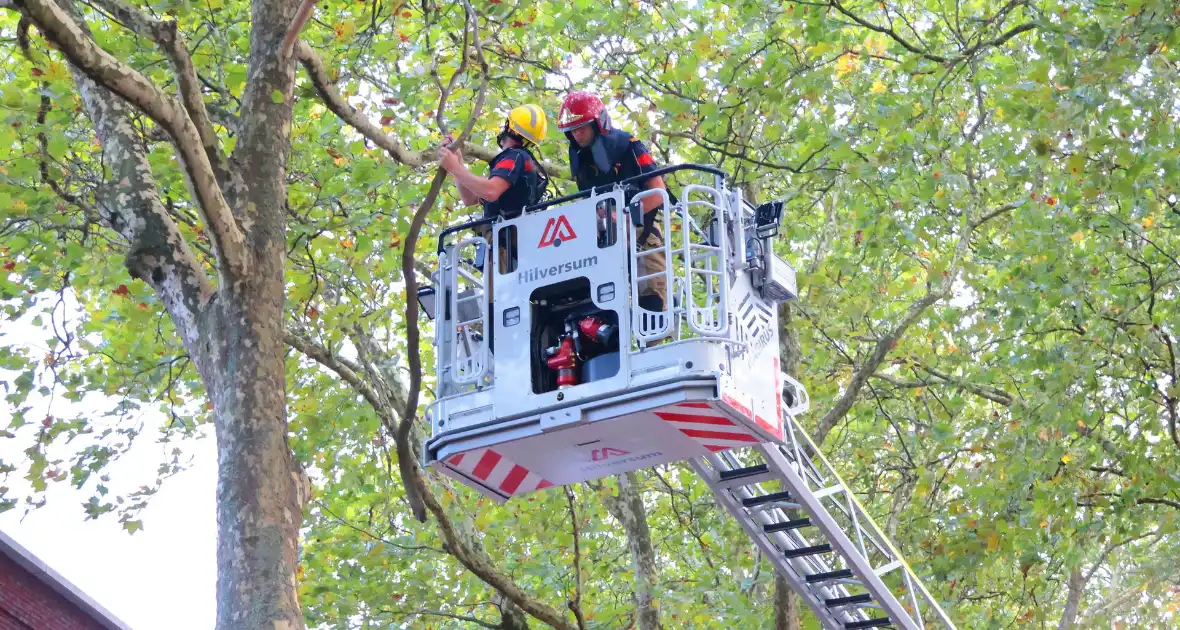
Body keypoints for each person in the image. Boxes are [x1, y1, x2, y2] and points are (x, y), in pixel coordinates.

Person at [438, 104, 549, 351]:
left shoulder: (514, 158)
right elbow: (471, 198)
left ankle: (507, 351)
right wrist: (457, 165)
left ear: (510, 127)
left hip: (506, 244)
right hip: (508, 245)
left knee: (499, 308)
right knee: (498, 306)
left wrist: (455, 168)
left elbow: (490, 190)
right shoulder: (524, 162)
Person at [557, 90, 668, 315]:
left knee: (652, 300)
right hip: (604, 236)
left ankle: (653, 339)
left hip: (642, 229)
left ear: (598, 123)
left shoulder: (629, 145)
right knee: (596, 298)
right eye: (572, 130)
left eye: (581, 127)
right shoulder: (582, 162)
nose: (576, 134)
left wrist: (624, 217)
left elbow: (658, 193)